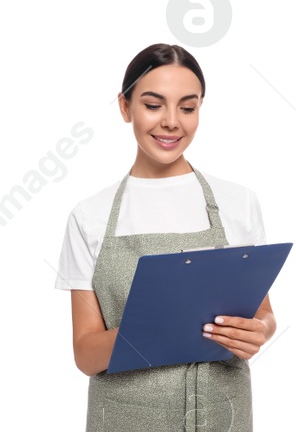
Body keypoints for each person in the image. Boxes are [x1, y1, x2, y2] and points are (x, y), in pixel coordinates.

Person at [61, 43, 275, 431]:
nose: (172, 122)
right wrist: (157, 327)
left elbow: (263, 315)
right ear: (125, 108)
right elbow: (85, 354)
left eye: (188, 107)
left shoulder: (238, 203)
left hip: (223, 417)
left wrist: (259, 332)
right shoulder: (88, 217)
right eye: (153, 104)